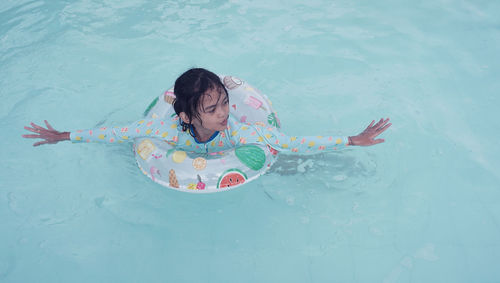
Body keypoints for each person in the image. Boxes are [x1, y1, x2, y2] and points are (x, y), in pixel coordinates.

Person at [22, 68, 391, 154]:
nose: (224, 113)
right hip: (178, 132)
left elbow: (293, 142)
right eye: (213, 108)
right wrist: (64, 135)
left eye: (224, 103)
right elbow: (117, 132)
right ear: (187, 117)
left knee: (286, 162)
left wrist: (351, 140)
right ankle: (174, 100)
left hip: (234, 150)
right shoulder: (168, 130)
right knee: (128, 145)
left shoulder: (240, 131)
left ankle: (230, 82)